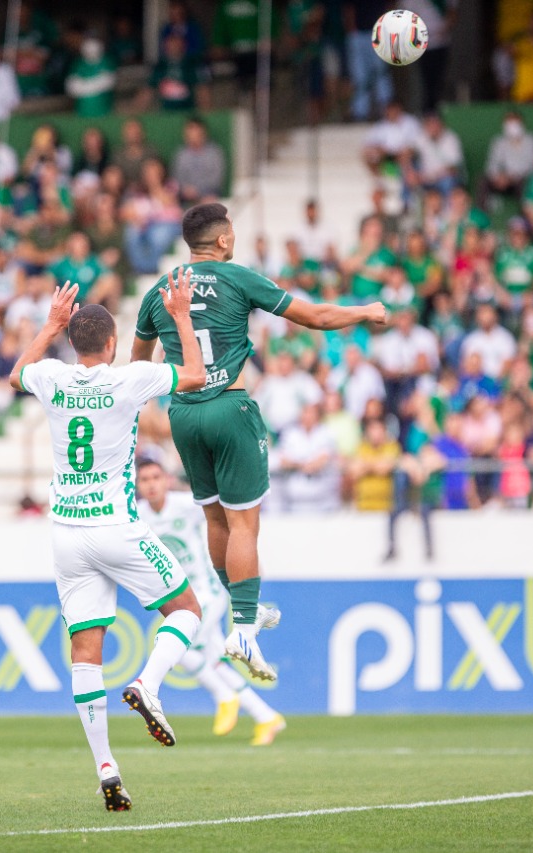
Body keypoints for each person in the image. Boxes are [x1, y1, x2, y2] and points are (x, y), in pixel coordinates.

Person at [132, 202, 388, 680]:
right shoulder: (238, 278)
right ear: (224, 240)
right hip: (230, 407)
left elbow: (139, 360)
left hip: (183, 413)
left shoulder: (160, 289)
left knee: (214, 516)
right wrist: (365, 310)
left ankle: (243, 611)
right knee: (244, 523)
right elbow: (314, 317)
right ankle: (245, 630)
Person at [9, 275, 206, 811]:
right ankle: (148, 683)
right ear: (113, 344)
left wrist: (49, 323)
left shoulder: (51, 376)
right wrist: (182, 316)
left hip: (67, 535)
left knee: (86, 652)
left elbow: (15, 375)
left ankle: (106, 765)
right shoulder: (129, 380)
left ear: (72, 342)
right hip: (116, 526)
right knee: (187, 609)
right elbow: (193, 375)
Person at [136, 459, 286, 746]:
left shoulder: (185, 506)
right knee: (216, 659)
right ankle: (266, 716)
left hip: (209, 590)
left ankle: (224, 696)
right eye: (144, 479)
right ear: (138, 485)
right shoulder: (138, 515)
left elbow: (226, 522)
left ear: (167, 479)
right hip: (185, 596)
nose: (151, 484)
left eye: (156, 477)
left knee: (181, 648)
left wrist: (250, 561)